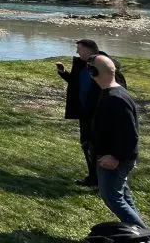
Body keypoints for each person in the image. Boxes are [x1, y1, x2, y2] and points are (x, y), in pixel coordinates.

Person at [89, 54, 146, 228]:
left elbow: (130, 134)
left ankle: (146, 235)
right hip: (110, 156)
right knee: (122, 195)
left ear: (93, 72)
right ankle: (139, 231)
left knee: (113, 197)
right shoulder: (111, 93)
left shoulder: (116, 98)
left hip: (114, 160)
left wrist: (115, 157)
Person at [56, 38, 123, 187]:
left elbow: (116, 88)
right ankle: (92, 178)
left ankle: (108, 182)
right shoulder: (82, 65)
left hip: (101, 116)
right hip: (85, 114)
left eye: (79, 49)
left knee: (102, 148)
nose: (77, 52)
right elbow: (76, 82)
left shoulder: (106, 66)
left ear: (88, 50)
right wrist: (64, 73)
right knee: (86, 145)